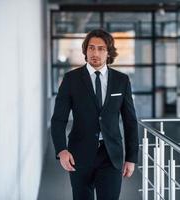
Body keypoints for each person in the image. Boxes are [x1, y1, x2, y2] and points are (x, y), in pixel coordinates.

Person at [51, 29, 139, 200]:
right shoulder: (71, 80)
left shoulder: (122, 81)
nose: (95, 53)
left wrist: (131, 158)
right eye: (91, 48)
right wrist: (61, 150)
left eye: (100, 48)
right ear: (85, 50)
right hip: (78, 155)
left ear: (108, 52)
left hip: (111, 155)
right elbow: (58, 119)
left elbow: (130, 122)